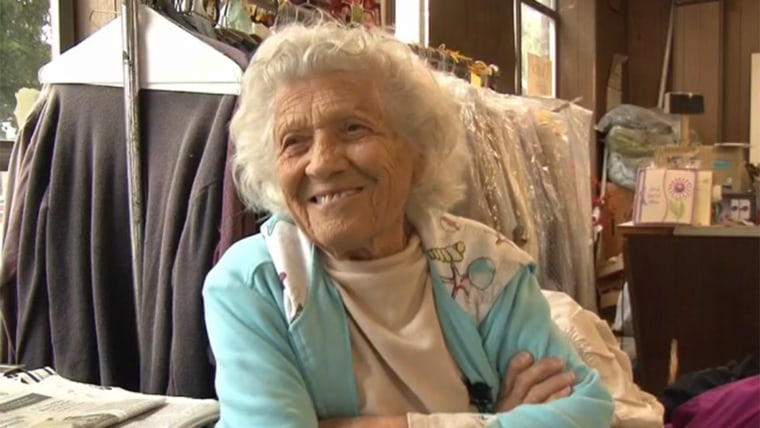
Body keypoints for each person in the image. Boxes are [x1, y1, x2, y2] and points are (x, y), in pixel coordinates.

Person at [203, 22, 614, 428]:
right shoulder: (254, 284)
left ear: (418, 151)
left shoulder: (483, 265)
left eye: (353, 129)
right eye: (295, 142)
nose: (323, 162)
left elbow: (587, 409)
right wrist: (489, 421)